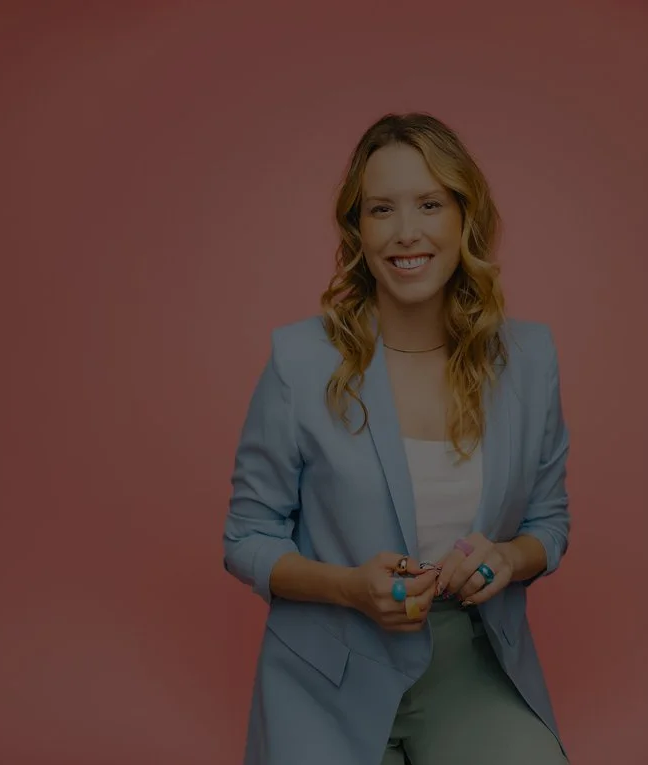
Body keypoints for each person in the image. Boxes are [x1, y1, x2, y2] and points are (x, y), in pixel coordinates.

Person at [221, 112, 572, 765]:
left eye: (430, 203)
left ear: (465, 217)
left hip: (469, 668)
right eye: (382, 209)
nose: (407, 231)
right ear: (358, 229)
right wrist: (349, 587)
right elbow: (246, 538)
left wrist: (508, 558)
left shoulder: (529, 359)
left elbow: (548, 523)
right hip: (327, 671)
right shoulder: (298, 362)